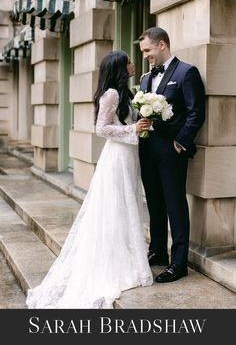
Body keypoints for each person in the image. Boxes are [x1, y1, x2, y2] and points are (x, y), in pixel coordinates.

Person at [26, 50, 153, 309]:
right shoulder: (112, 94)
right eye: (128, 61)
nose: (132, 64)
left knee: (125, 208)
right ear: (119, 67)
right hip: (116, 158)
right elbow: (101, 129)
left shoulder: (126, 92)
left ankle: (125, 255)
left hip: (129, 156)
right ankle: (114, 262)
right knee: (116, 208)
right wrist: (133, 128)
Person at [138, 27, 205, 283]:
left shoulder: (187, 73)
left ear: (162, 44)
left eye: (148, 50)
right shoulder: (145, 78)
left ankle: (179, 263)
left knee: (175, 204)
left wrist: (180, 142)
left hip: (171, 150)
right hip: (148, 149)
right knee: (154, 202)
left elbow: (196, 112)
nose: (145, 55)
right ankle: (157, 250)